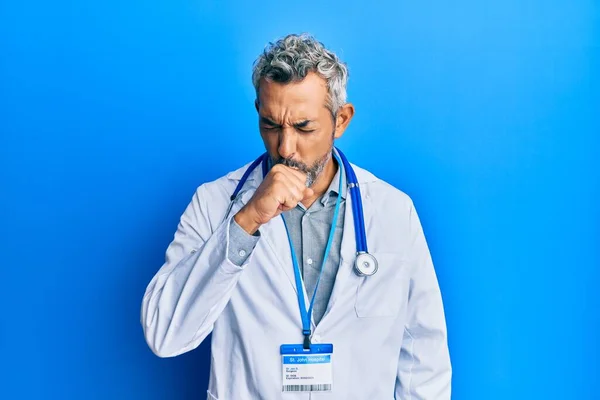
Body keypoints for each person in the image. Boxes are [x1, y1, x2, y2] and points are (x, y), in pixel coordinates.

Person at [141, 33, 451, 399]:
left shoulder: (393, 211)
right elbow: (164, 333)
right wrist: (247, 219)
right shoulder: (214, 203)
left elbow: (423, 358)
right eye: (271, 125)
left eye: (304, 127)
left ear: (341, 120)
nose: (284, 148)